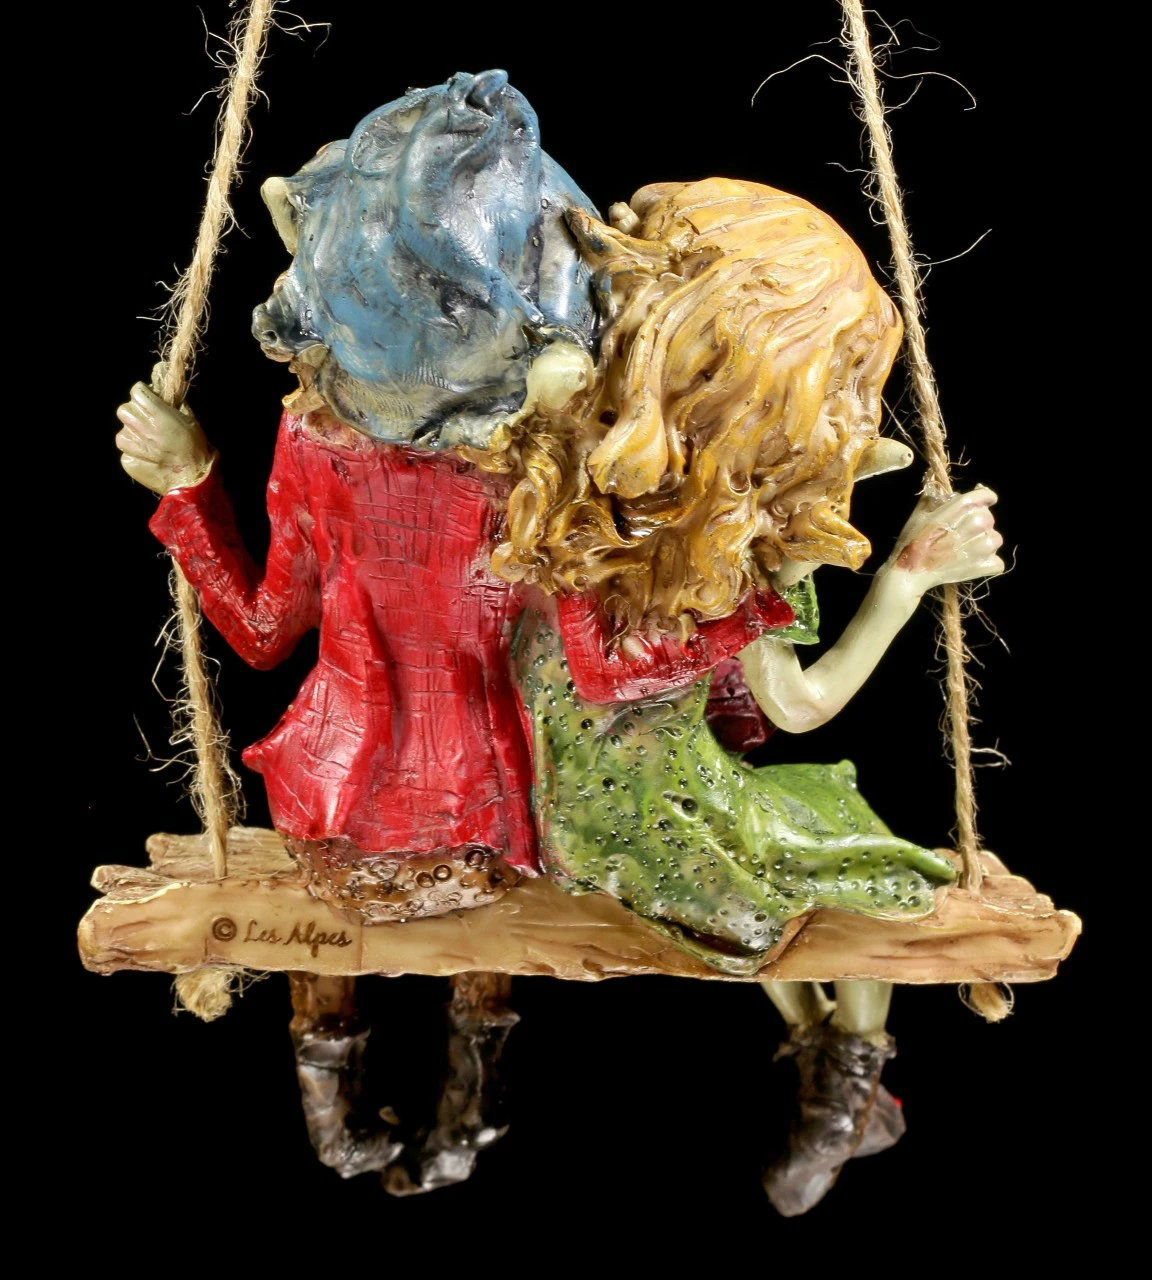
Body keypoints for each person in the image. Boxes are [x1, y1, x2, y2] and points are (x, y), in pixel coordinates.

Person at [478, 178, 1004, 1213]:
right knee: (854, 846)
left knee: (800, 817)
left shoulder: (568, 496)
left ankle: (824, 1056)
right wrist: (903, 579)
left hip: (574, 813)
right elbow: (791, 704)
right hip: (643, 832)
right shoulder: (673, 550)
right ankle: (846, 1081)